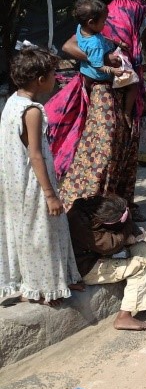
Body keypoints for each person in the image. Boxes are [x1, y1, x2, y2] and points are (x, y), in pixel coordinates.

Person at [48, 0, 146, 220]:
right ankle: (96, 208)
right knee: (105, 150)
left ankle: (120, 207)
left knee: (122, 152)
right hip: (106, 97)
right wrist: (99, 59)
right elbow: (68, 46)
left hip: (124, 98)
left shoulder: (112, 28)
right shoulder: (106, 26)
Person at [0, 47, 82, 306]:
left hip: (15, 182)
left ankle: (46, 282)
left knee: (29, 232)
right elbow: (35, 154)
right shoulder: (32, 110)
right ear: (40, 79)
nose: (56, 78)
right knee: (41, 234)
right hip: (33, 185)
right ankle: (43, 288)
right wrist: (50, 195)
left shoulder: (12, 102)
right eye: (53, 74)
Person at [67, 194, 146, 331]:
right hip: (87, 267)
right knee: (140, 265)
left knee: (142, 248)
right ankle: (123, 317)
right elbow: (110, 245)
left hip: (98, 255)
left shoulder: (100, 207)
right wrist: (127, 226)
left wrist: (128, 222)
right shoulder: (80, 224)